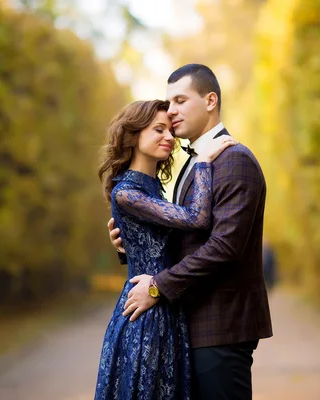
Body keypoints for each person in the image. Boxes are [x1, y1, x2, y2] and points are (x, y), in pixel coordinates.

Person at [108, 64, 273, 399]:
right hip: (191, 326)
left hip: (221, 327)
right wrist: (132, 244)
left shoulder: (232, 160)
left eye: (180, 100)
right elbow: (184, 237)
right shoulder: (198, 163)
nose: (172, 111)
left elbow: (225, 247)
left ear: (210, 100)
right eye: (169, 103)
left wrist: (156, 287)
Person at [95, 99, 237, 400]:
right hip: (145, 317)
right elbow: (197, 218)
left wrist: (125, 249)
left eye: (170, 130)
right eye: (158, 129)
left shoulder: (153, 189)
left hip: (164, 306)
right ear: (133, 136)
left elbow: (157, 244)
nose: (169, 137)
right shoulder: (127, 192)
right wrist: (203, 163)